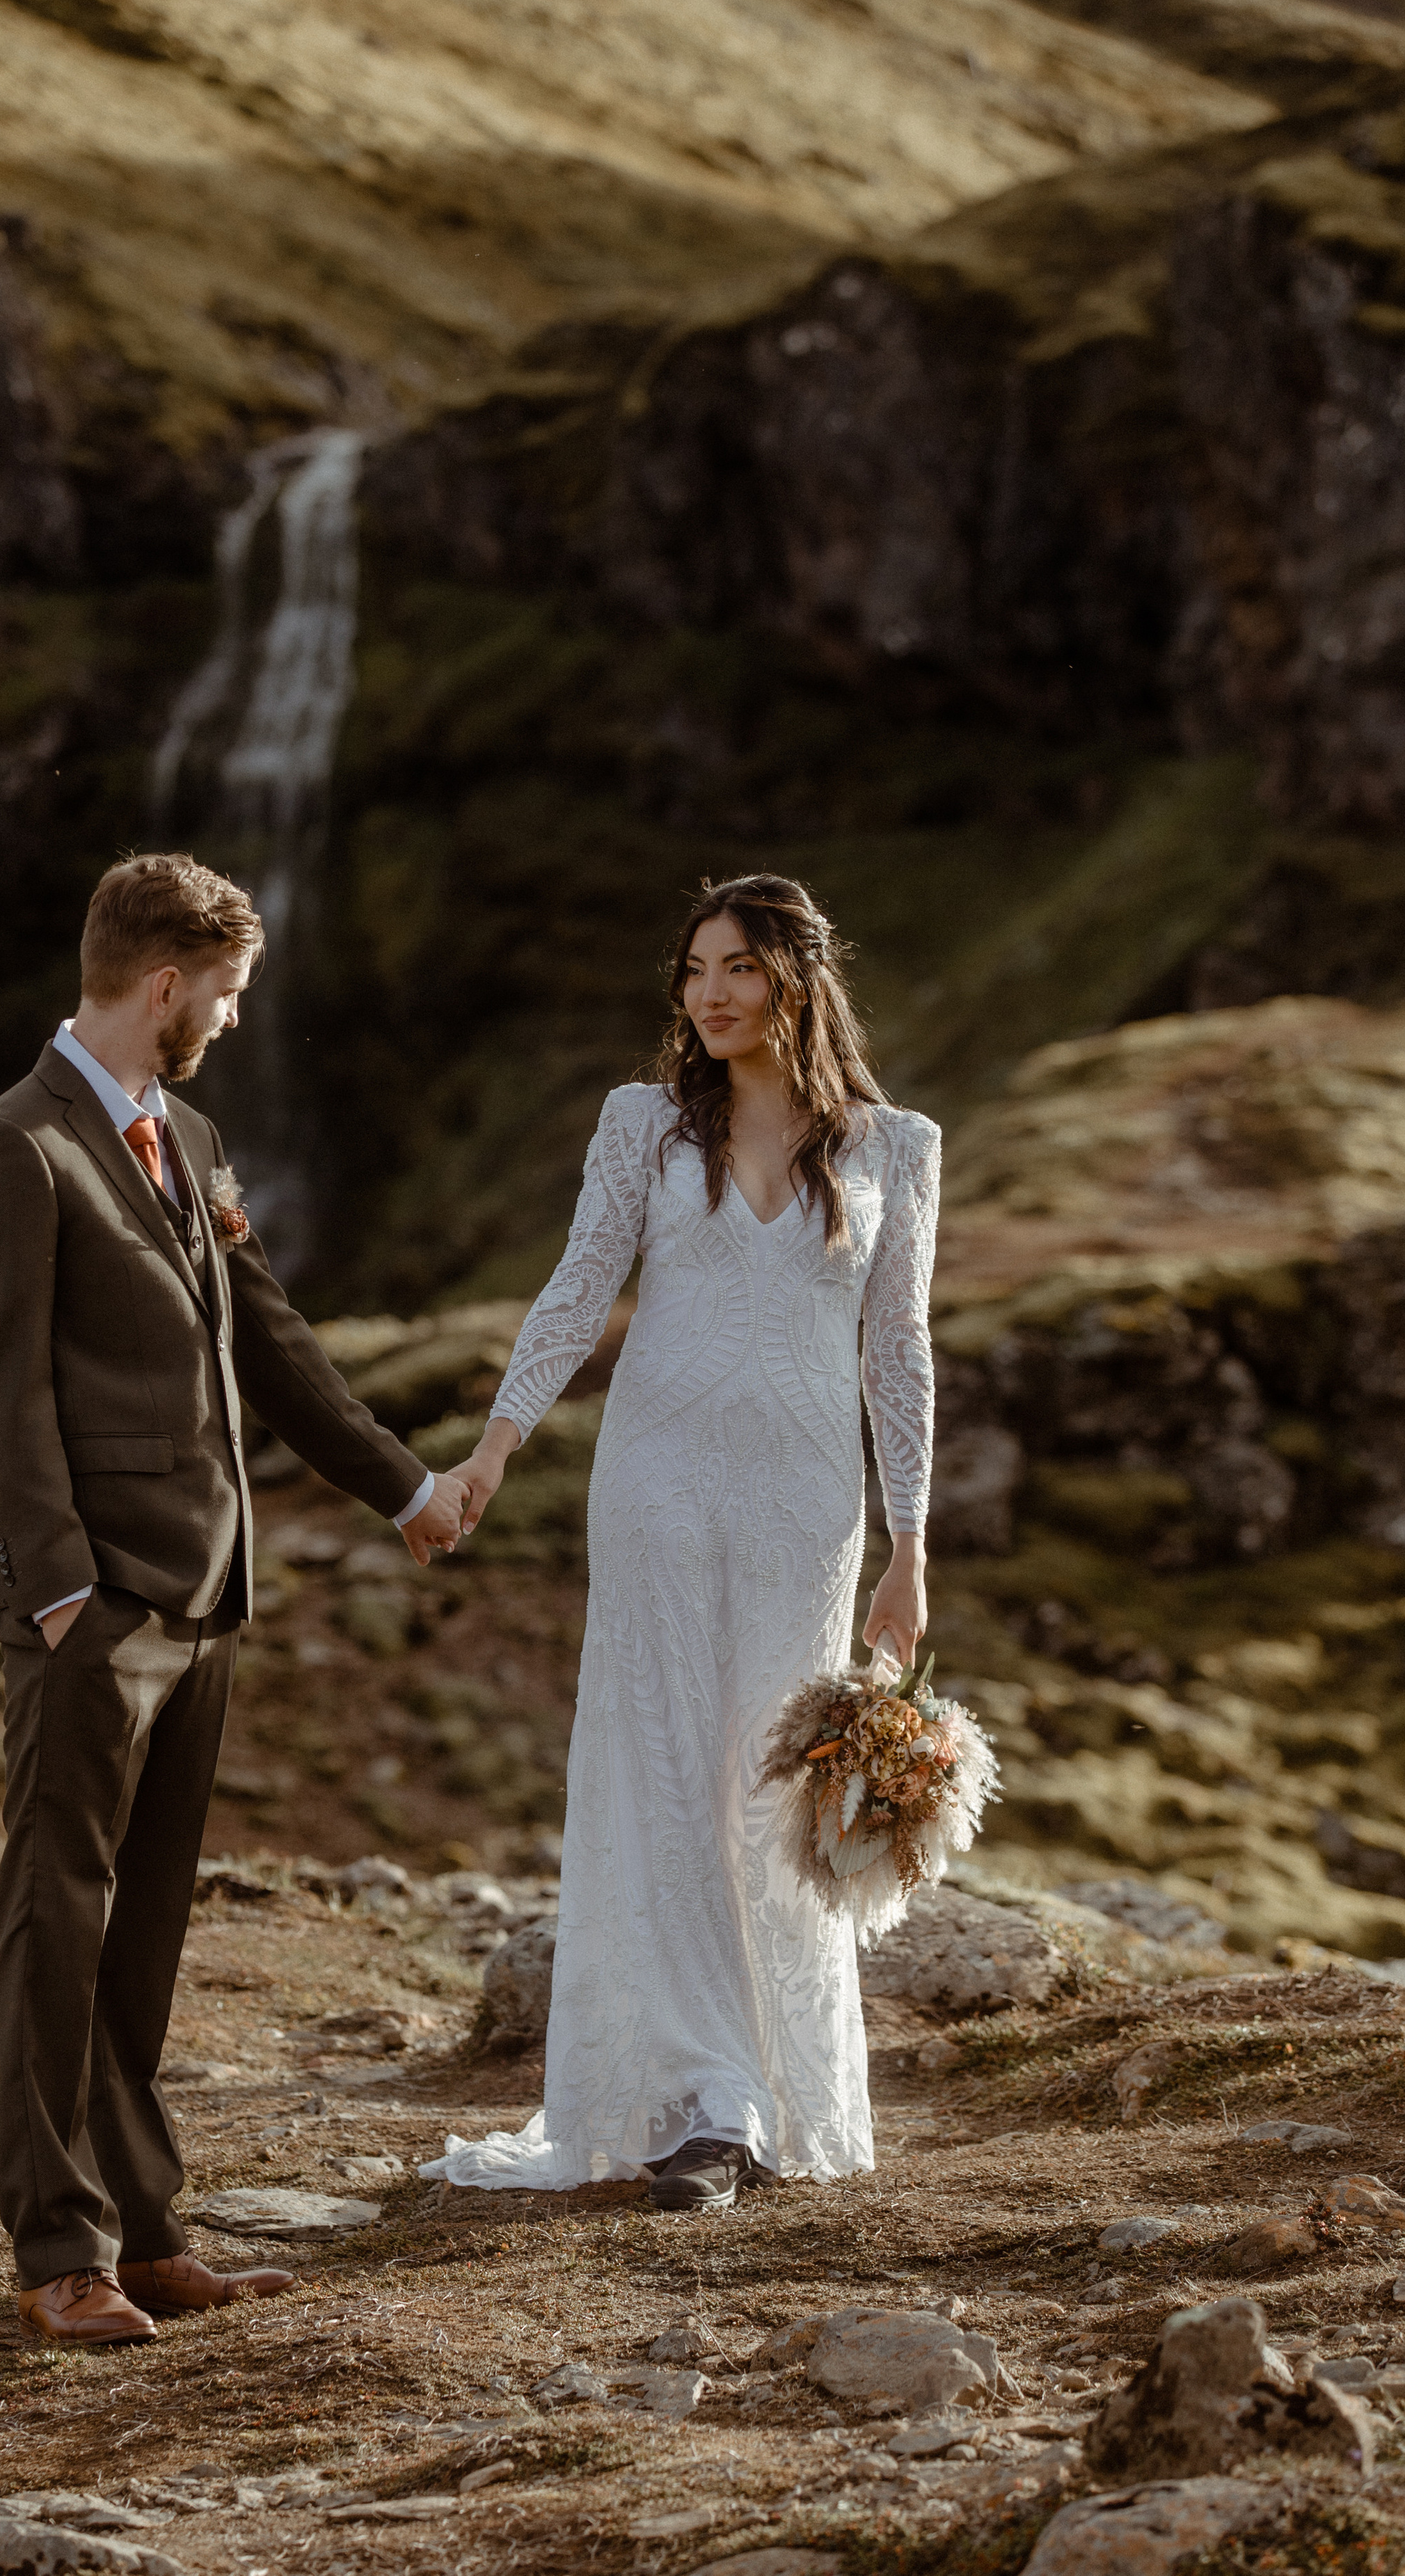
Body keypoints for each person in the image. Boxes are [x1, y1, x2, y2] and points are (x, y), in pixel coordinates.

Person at [0, 853, 467, 2342]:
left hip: (207, 1592)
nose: (234, 1021)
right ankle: (59, 2252)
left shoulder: (191, 1130)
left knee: (145, 1929)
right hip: (92, 1608)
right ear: (162, 985)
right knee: (56, 1923)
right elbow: (0, 1397)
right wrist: (56, 1594)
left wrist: (405, 1489)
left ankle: (149, 2227)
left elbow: (270, 1335)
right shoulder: (13, 1150)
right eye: (225, 995)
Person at [421, 874, 939, 2211]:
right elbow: (583, 1280)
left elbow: (899, 1348)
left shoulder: (896, 1149)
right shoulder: (643, 1125)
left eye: (739, 968)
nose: (708, 993)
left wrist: (910, 1542)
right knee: (659, 1763)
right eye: (695, 969)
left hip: (808, 1500)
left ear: (797, 981)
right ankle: (706, 2100)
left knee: (770, 1780)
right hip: (655, 1482)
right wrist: (496, 1443)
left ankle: (768, 2086)